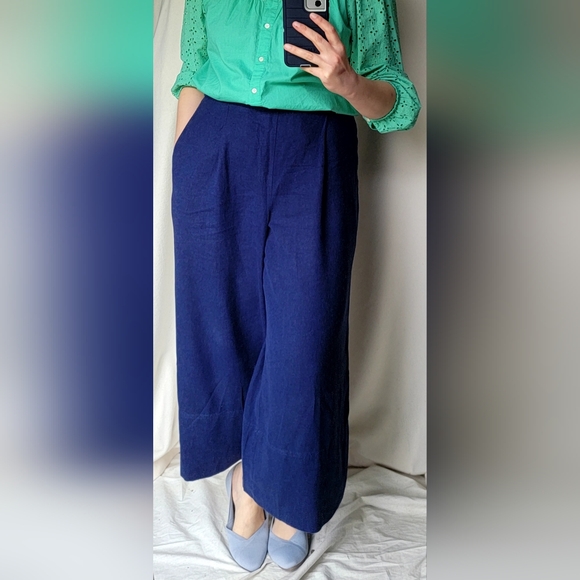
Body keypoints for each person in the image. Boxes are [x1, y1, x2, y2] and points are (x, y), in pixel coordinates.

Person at [170, 0, 420, 572]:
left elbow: (399, 103)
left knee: (303, 334)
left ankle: (289, 488)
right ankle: (248, 483)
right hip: (215, 151)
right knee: (221, 321)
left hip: (315, 151)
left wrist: (347, 81)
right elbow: (194, 69)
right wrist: (185, 169)